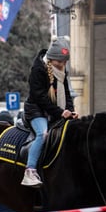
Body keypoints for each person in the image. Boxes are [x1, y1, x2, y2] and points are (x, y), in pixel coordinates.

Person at [22, 37, 76, 187]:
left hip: (54, 111)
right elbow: (39, 97)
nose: (62, 65)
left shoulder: (62, 71)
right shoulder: (38, 69)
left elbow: (67, 93)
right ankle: (30, 170)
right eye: (59, 62)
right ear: (51, 58)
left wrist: (71, 111)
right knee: (43, 134)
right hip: (36, 110)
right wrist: (60, 112)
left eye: (64, 62)